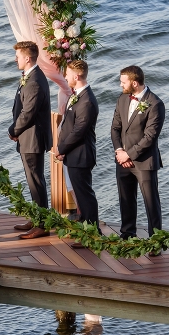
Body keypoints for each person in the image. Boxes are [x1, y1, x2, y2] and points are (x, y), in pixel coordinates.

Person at [110, 65, 165, 245]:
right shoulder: (122, 99)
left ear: (134, 83)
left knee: (151, 202)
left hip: (144, 161)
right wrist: (119, 151)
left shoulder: (155, 104)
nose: (120, 85)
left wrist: (129, 155)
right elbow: (115, 128)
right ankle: (127, 233)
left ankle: (155, 240)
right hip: (122, 159)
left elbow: (150, 137)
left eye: (123, 82)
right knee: (125, 198)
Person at [52, 60, 100, 247]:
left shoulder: (87, 101)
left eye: (67, 74)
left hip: (81, 155)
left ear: (77, 76)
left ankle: (92, 234)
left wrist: (62, 149)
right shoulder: (77, 96)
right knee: (81, 195)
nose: (65, 77)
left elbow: (79, 131)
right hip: (74, 154)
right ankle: (86, 229)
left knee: (85, 195)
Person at [8, 41, 52, 239]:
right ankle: (36, 217)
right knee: (33, 179)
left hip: (33, 137)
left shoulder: (34, 81)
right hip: (27, 137)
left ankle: (42, 224)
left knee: (36, 181)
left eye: (17, 56)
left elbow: (28, 113)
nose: (15, 59)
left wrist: (13, 130)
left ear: (27, 58)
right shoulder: (30, 76)